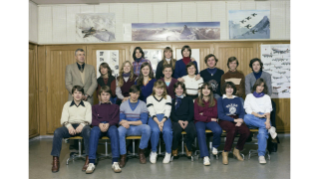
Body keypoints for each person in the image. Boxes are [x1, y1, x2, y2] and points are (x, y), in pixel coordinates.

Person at [50, 85, 91, 173]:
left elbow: (89, 119)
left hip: (83, 127)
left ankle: (88, 159)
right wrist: (69, 126)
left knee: (88, 131)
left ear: (83, 95)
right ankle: (55, 160)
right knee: (57, 132)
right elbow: (63, 119)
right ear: (72, 94)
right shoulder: (67, 105)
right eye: (75, 92)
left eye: (80, 93)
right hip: (70, 126)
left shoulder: (87, 105)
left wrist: (82, 125)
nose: (77, 95)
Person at [245, 58, 279, 152]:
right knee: (247, 117)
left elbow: (269, 91)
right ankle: (270, 128)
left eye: (258, 64)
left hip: (264, 100)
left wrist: (263, 100)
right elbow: (248, 92)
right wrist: (255, 103)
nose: (256, 66)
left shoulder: (267, 75)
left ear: (261, 66)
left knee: (272, 109)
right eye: (254, 65)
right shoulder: (248, 76)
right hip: (253, 101)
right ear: (251, 66)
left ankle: (271, 145)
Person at [85, 86, 121, 174]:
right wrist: (99, 124)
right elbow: (92, 120)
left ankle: (115, 162)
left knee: (114, 131)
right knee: (93, 131)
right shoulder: (95, 107)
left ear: (110, 96)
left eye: (107, 94)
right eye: (103, 94)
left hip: (110, 125)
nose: (105, 96)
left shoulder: (115, 107)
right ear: (100, 96)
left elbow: (116, 119)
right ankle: (91, 162)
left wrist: (108, 124)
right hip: (98, 125)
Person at [243, 78, 277, 164]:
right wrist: (258, 115)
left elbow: (268, 111)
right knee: (246, 117)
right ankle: (270, 128)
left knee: (262, 132)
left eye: (262, 86)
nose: (260, 88)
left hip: (265, 119)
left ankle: (261, 155)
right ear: (255, 86)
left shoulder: (266, 97)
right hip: (253, 118)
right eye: (259, 85)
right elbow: (248, 110)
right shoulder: (249, 96)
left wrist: (268, 121)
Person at [217, 82, 250, 165]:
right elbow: (220, 115)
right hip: (225, 119)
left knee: (246, 131)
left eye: (231, 88)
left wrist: (240, 119)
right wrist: (234, 121)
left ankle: (237, 150)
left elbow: (242, 112)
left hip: (236, 118)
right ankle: (225, 152)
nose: (229, 89)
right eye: (227, 88)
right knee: (232, 129)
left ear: (234, 89)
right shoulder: (221, 99)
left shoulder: (237, 99)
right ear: (224, 89)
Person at [118, 85, 151, 167]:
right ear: (129, 93)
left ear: (139, 95)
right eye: (133, 93)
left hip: (137, 127)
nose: (134, 95)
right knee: (119, 130)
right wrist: (123, 123)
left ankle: (141, 151)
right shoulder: (123, 104)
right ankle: (123, 156)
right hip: (126, 128)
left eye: (137, 93)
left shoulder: (143, 104)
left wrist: (128, 122)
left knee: (147, 128)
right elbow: (120, 119)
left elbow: (143, 121)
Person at [194, 82, 222, 166]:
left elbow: (215, 114)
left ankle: (215, 146)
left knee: (218, 130)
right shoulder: (196, 101)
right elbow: (196, 116)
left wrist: (203, 113)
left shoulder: (214, 101)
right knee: (200, 131)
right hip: (199, 122)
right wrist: (208, 117)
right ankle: (205, 156)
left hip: (210, 122)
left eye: (208, 89)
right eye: (204, 88)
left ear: (210, 91)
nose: (206, 91)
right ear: (201, 90)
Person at [146, 80, 173, 164]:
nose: (159, 90)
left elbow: (168, 111)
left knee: (167, 131)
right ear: (154, 88)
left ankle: (168, 152)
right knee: (155, 130)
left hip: (165, 118)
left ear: (164, 89)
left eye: (161, 88)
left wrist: (162, 122)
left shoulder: (168, 97)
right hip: (154, 118)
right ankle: (154, 152)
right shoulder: (149, 98)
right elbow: (151, 111)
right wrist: (159, 123)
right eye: (158, 88)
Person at [171, 82, 196, 158]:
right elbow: (172, 114)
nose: (179, 90)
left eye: (181, 88)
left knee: (192, 130)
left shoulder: (188, 99)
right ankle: (175, 147)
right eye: (177, 88)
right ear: (174, 90)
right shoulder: (172, 100)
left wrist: (187, 121)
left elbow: (191, 112)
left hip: (187, 119)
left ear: (184, 90)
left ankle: (188, 146)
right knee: (177, 131)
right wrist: (179, 121)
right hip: (176, 120)